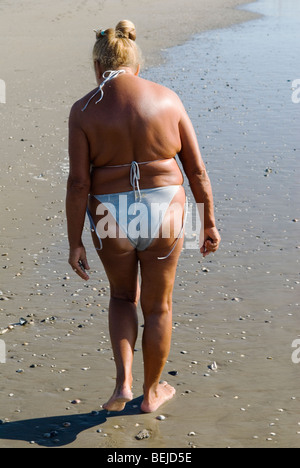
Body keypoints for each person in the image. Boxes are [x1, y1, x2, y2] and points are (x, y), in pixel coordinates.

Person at [66, 20, 221, 413]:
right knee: (159, 307)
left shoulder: (84, 110)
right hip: (166, 209)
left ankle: (123, 386)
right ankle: (152, 393)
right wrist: (208, 222)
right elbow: (197, 171)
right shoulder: (168, 99)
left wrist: (74, 241)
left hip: (109, 214)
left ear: (99, 67)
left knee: (121, 297)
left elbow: (78, 184)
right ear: (135, 62)